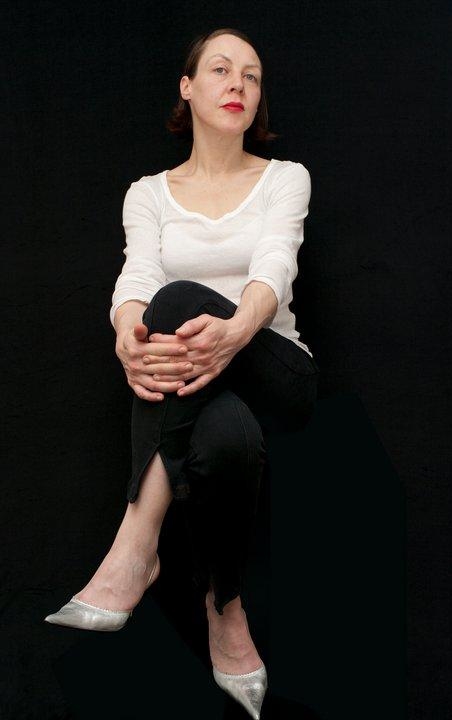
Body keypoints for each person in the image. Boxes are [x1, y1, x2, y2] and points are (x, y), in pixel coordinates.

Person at [44, 27, 320, 720]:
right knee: (225, 439)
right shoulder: (148, 194)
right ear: (187, 88)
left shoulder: (284, 178)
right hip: (198, 387)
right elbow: (135, 276)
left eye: (251, 76)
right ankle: (225, 610)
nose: (238, 85)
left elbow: (275, 265)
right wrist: (126, 338)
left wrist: (234, 332)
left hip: (276, 370)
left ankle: (136, 541)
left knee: (177, 300)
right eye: (221, 70)